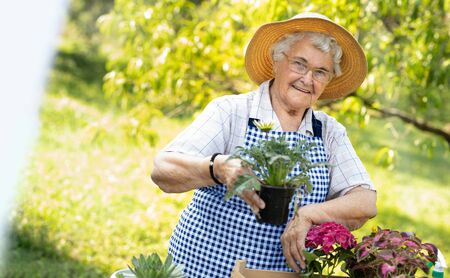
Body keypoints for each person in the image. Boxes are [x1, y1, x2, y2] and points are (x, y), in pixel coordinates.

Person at [151, 12, 377, 278]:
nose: (307, 79)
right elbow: (162, 169)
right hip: (203, 269)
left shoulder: (328, 132)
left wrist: (310, 214)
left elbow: (365, 202)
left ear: (327, 81)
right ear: (277, 61)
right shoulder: (232, 111)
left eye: (320, 72)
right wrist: (218, 168)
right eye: (300, 64)